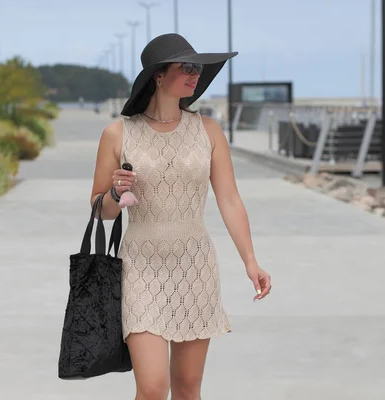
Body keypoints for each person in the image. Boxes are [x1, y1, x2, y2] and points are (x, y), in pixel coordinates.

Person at [90, 33, 272, 400]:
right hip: (140, 265)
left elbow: (230, 199)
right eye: (186, 68)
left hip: (194, 263)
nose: (195, 75)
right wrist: (115, 192)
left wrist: (251, 261)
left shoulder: (208, 130)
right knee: (154, 387)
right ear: (159, 76)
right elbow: (99, 210)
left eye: (198, 69)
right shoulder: (117, 133)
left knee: (188, 388)